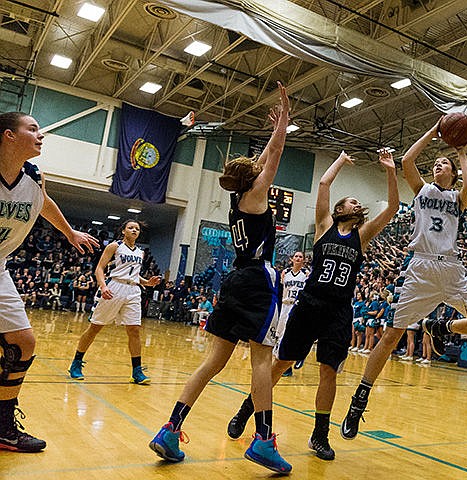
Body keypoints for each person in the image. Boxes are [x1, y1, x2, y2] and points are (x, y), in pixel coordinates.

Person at [148, 82, 292, 473]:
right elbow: (274, 155)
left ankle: (169, 429)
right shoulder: (256, 195)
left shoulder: (237, 199)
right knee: (262, 361)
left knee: (213, 361)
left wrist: (272, 134)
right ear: (254, 177)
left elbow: (260, 164)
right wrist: (282, 122)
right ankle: (263, 441)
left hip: (233, 281)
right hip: (258, 281)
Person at [225, 148, 398, 460]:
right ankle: (246, 410)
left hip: (339, 310)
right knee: (280, 364)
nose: (358, 204)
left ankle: (320, 435)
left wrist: (389, 169)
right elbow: (323, 185)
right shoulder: (323, 226)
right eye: (352, 202)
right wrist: (342, 160)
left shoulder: (363, 235)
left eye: (358, 203)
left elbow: (394, 207)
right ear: (339, 209)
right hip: (310, 303)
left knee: (328, 371)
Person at [341, 118, 467, 440]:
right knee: (391, 336)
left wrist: (462, 152)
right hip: (422, 267)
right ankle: (359, 399)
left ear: (450, 172)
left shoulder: (457, 198)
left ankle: (441, 327)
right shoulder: (422, 190)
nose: (438, 166)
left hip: (451, 268)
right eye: (436, 164)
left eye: (444, 164)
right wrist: (433, 131)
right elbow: (408, 160)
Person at [0, 111, 98, 452]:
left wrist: (69, 232)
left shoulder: (34, 175)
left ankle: (3, 427)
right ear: (9, 136)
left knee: (23, 342)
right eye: (33, 129)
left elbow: (43, 204)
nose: (40, 136)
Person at [68, 220, 161, 383]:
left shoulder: (140, 252)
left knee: (134, 330)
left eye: (137, 229)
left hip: (133, 291)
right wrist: (103, 287)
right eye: (131, 227)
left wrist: (147, 282)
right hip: (113, 287)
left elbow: (133, 274)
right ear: (123, 231)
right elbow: (99, 268)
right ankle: (76, 362)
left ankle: (137, 371)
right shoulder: (114, 246)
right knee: (95, 328)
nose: (134, 230)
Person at [276, 251, 308, 377]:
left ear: (303, 260)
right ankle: (285, 366)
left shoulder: (306, 274)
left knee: (291, 335)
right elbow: (280, 290)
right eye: (296, 256)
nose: (298, 258)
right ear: (292, 259)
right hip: (284, 305)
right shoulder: (285, 273)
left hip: (297, 306)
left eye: (300, 257)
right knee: (280, 335)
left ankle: (299, 356)